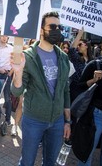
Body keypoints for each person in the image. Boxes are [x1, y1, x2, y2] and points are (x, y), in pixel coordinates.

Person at [11, 12, 71, 166]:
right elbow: (17, 91)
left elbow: (65, 90)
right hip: (33, 121)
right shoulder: (27, 56)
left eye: (59, 27)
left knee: (50, 162)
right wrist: (17, 73)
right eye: (52, 26)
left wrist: (67, 121)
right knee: (27, 162)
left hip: (57, 121)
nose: (56, 30)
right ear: (41, 30)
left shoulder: (63, 57)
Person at [72, 33, 102, 166]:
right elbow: (79, 87)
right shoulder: (94, 65)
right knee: (87, 152)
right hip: (95, 115)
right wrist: (93, 80)